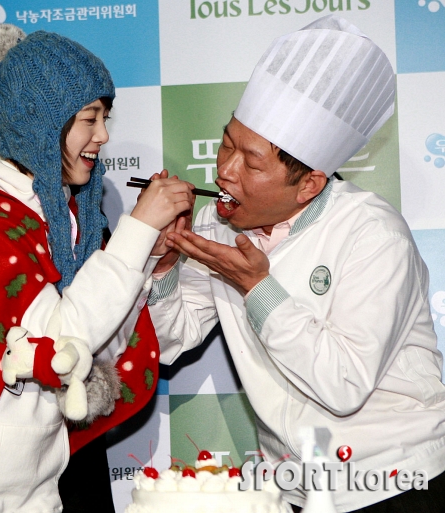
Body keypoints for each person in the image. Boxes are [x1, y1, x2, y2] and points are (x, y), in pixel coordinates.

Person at [0, 25, 193, 512]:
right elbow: (62, 336)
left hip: (38, 481)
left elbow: (99, 345)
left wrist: (150, 255)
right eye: (89, 118)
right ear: (42, 121)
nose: (104, 135)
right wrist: (137, 229)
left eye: (105, 117)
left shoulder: (62, 214)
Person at [147, 15, 445, 512]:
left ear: (308, 185)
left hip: (391, 477)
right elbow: (168, 341)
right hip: (293, 486)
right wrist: (162, 264)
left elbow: (343, 384)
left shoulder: (371, 233)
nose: (224, 169)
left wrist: (256, 286)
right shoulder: (215, 223)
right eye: (226, 143)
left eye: (252, 162)